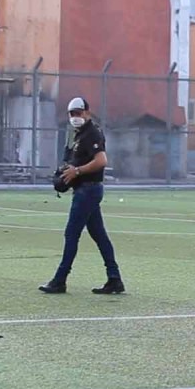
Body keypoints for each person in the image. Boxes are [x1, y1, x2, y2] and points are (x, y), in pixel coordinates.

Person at [39, 97, 125, 295]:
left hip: (89, 190)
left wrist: (76, 172)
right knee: (99, 236)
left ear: (87, 112)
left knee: (72, 234)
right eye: (72, 114)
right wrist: (66, 171)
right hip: (85, 190)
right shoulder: (78, 134)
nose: (75, 117)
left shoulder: (92, 133)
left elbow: (101, 160)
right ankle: (115, 279)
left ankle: (60, 279)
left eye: (78, 113)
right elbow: (74, 160)